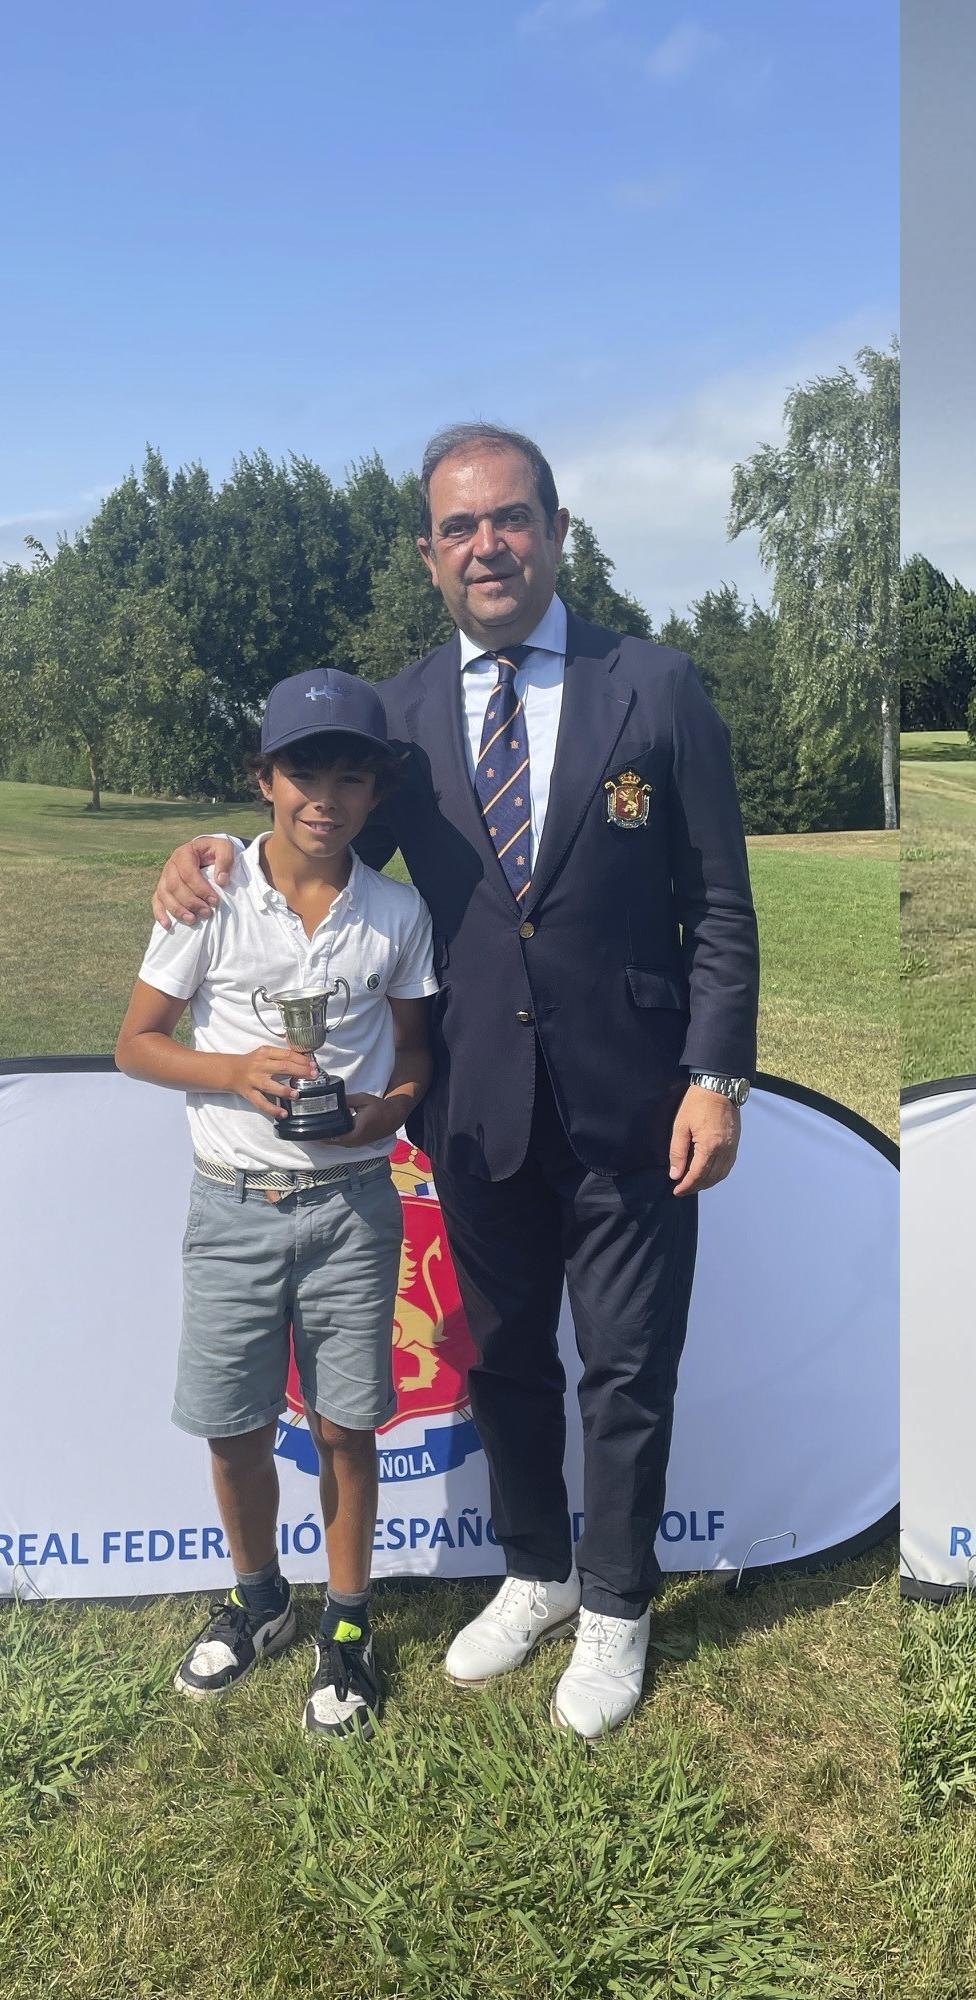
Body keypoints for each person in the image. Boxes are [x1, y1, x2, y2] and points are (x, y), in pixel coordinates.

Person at [151, 422, 759, 1739]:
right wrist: (201, 850)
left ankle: (617, 1605)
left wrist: (718, 1071)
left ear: (554, 529)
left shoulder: (656, 685)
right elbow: (304, 829)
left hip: (640, 1094)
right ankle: (535, 1570)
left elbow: (718, 895)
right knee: (500, 1362)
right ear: (430, 554)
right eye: (461, 526)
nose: (490, 544)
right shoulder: (406, 716)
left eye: (512, 518)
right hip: (474, 1092)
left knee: (626, 1366)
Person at [116, 670, 436, 1736]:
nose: (325, 795)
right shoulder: (209, 893)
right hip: (234, 1206)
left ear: (375, 791)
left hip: (352, 1202)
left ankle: (346, 1628)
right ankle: (261, 1600)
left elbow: (418, 1053)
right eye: (303, 769)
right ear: (262, 779)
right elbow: (138, 1041)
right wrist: (235, 1071)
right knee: (234, 1426)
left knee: (347, 1426)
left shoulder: (394, 911)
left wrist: (383, 1111)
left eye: (351, 775)